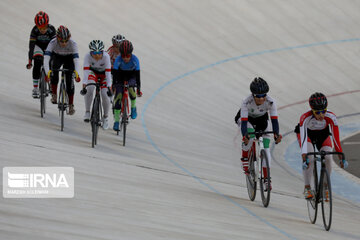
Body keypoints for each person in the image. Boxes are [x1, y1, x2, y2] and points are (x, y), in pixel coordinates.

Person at [297, 92, 348, 199]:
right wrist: (304, 155)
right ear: (312, 110)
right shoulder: (305, 118)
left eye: (323, 112)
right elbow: (304, 138)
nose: (321, 115)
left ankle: (325, 186)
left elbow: (335, 138)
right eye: (318, 112)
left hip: (323, 136)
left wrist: (340, 156)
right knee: (310, 158)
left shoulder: (331, 117)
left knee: (329, 157)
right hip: (308, 136)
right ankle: (307, 188)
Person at [235, 77, 282, 191]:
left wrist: (276, 134)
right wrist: (245, 135)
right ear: (253, 95)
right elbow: (244, 121)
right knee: (249, 135)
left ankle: (266, 179)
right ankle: (245, 159)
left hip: (261, 120)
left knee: (266, 149)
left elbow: (274, 120)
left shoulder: (271, 102)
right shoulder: (246, 102)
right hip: (246, 120)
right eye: (258, 96)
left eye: (263, 95)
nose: (261, 99)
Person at [44, 25, 81, 115]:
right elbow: (46, 58)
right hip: (57, 57)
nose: (64, 43)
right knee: (54, 72)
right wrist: (47, 72)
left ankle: (71, 104)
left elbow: (76, 60)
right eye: (61, 41)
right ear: (57, 38)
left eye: (66, 41)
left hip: (69, 58)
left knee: (69, 81)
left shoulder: (73, 43)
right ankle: (54, 94)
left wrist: (77, 73)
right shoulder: (53, 42)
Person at [80, 40, 112, 130]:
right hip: (93, 73)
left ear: (102, 52)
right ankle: (87, 111)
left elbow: (108, 73)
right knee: (89, 88)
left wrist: (109, 86)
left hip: (104, 75)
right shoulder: (87, 56)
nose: (97, 55)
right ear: (91, 52)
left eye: (99, 53)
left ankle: (105, 117)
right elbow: (86, 71)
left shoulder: (106, 57)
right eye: (94, 53)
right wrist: (84, 84)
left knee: (105, 94)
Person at [112, 40, 142, 131]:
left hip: (131, 76)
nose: (125, 58)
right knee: (118, 96)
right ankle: (116, 121)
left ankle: (133, 107)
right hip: (120, 76)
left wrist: (138, 89)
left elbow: (137, 76)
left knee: (131, 89)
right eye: (123, 56)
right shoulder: (118, 59)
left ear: (131, 54)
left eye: (128, 56)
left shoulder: (135, 60)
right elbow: (115, 75)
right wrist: (114, 86)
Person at [26, 11, 56, 98]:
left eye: (44, 27)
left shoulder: (52, 30)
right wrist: (30, 61)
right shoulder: (34, 30)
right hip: (38, 46)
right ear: (36, 26)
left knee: (51, 62)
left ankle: (50, 82)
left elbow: (55, 46)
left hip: (49, 46)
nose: (42, 30)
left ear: (47, 24)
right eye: (40, 28)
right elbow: (31, 47)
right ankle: (35, 88)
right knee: (37, 62)